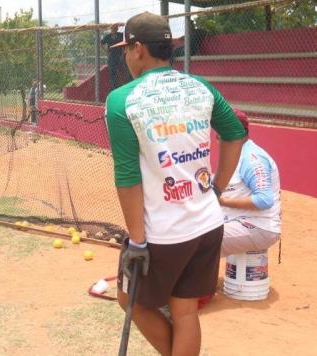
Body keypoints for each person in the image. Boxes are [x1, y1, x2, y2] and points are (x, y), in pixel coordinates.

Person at [105, 12, 246, 355]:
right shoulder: (200, 87)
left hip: (163, 233)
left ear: (138, 49)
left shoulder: (122, 100)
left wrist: (137, 241)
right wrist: (216, 188)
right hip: (207, 223)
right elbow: (236, 133)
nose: (125, 55)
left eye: (126, 48)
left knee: (130, 299)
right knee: (184, 312)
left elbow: (127, 178)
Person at [219, 109, 281, 257]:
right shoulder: (236, 153)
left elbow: (264, 200)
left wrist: (223, 202)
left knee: (200, 240)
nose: (217, 132)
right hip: (237, 220)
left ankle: (192, 280)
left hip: (258, 225)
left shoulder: (252, 158)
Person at [101, 24, 129, 90]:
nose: (114, 30)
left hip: (121, 55)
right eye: (112, 29)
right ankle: (113, 87)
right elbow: (101, 43)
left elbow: (126, 42)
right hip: (112, 56)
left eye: (115, 29)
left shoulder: (121, 35)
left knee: (125, 70)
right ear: (111, 30)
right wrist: (106, 50)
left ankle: (126, 85)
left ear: (117, 29)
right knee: (112, 71)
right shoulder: (108, 36)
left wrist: (124, 50)